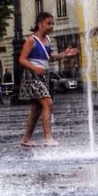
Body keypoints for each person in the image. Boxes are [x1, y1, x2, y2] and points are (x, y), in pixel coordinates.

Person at [18, 11, 77, 147]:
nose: (51, 26)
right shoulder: (31, 40)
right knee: (48, 103)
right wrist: (35, 68)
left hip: (43, 76)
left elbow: (49, 57)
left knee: (36, 109)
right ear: (40, 24)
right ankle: (48, 138)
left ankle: (26, 139)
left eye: (52, 24)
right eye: (48, 23)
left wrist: (64, 54)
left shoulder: (48, 40)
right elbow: (21, 59)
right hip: (32, 77)